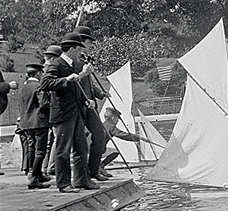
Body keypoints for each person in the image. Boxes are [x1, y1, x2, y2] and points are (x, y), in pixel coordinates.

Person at [40, 33, 98, 193]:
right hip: (63, 114)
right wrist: (66, 80)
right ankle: (64, 184)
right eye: (79, 49)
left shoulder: (74, 66)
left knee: (81, 148)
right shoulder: (57, 64)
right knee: (62, 150)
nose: (81, 52)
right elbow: (45, 83)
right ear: (72, 49)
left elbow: (75, 89)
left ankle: (81, 180)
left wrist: (86, 101)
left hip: (77, 112)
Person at [73, 26, 111, 182]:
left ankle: (93, 169)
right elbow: (76, 82)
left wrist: (100, 93)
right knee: (80, 141)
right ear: (81, 42)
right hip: (81, 105)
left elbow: (89, 83)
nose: (91, 46)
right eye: (89, 43)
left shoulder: (83, 60)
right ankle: (85, 174)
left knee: (100, 134)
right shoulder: (75, 61)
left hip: (91, 104)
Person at [18, 63, 52, 189]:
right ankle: (34, 179)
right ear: (38, 74)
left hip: (26, 123)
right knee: (41, 150)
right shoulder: (39, 86)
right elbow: (44, 104)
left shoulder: (23, 87)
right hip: (39, 121)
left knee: (31, 147)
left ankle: (35, 173)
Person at [99, 107, 152, 176]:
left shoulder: (101, 125)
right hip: (99, 151)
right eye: (117, 119)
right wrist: (140, 138)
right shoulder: (111, 127)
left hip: (92, 149)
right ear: (113, 118)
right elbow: (124, 135)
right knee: (116, 152)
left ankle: (99, 167)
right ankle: (101, 167)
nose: (118, 121)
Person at [40, 45, 63, 176]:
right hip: (49, 109)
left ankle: (46, 166)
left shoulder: (43, 70)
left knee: (50, 140)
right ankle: (52, 166)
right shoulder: (50, 70)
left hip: (45, 111)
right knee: (55, 139)